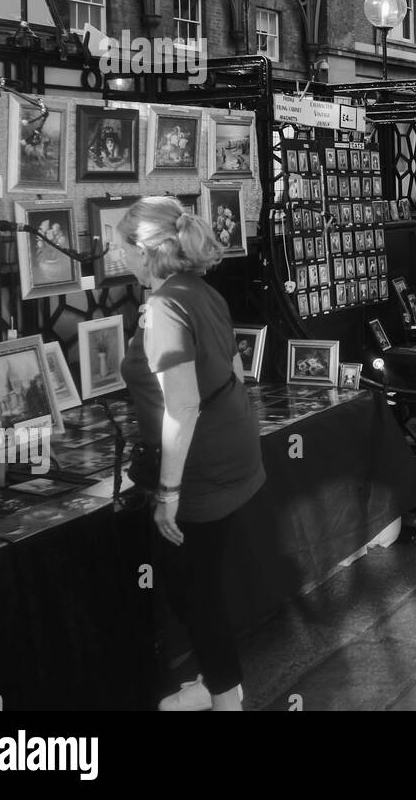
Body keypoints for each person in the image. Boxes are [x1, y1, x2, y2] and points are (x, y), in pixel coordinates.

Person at [118, 196, 265, 711]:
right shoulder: (195, 292)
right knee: (194, 585)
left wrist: (169, 493)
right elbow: (235, 372)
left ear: (144, 250)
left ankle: (226, 697)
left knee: (193, 593)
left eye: (121, 244)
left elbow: (182, 406)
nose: (117, 254)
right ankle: (218, 683)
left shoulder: (165, 306)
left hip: (201, 468)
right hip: (231, 451)